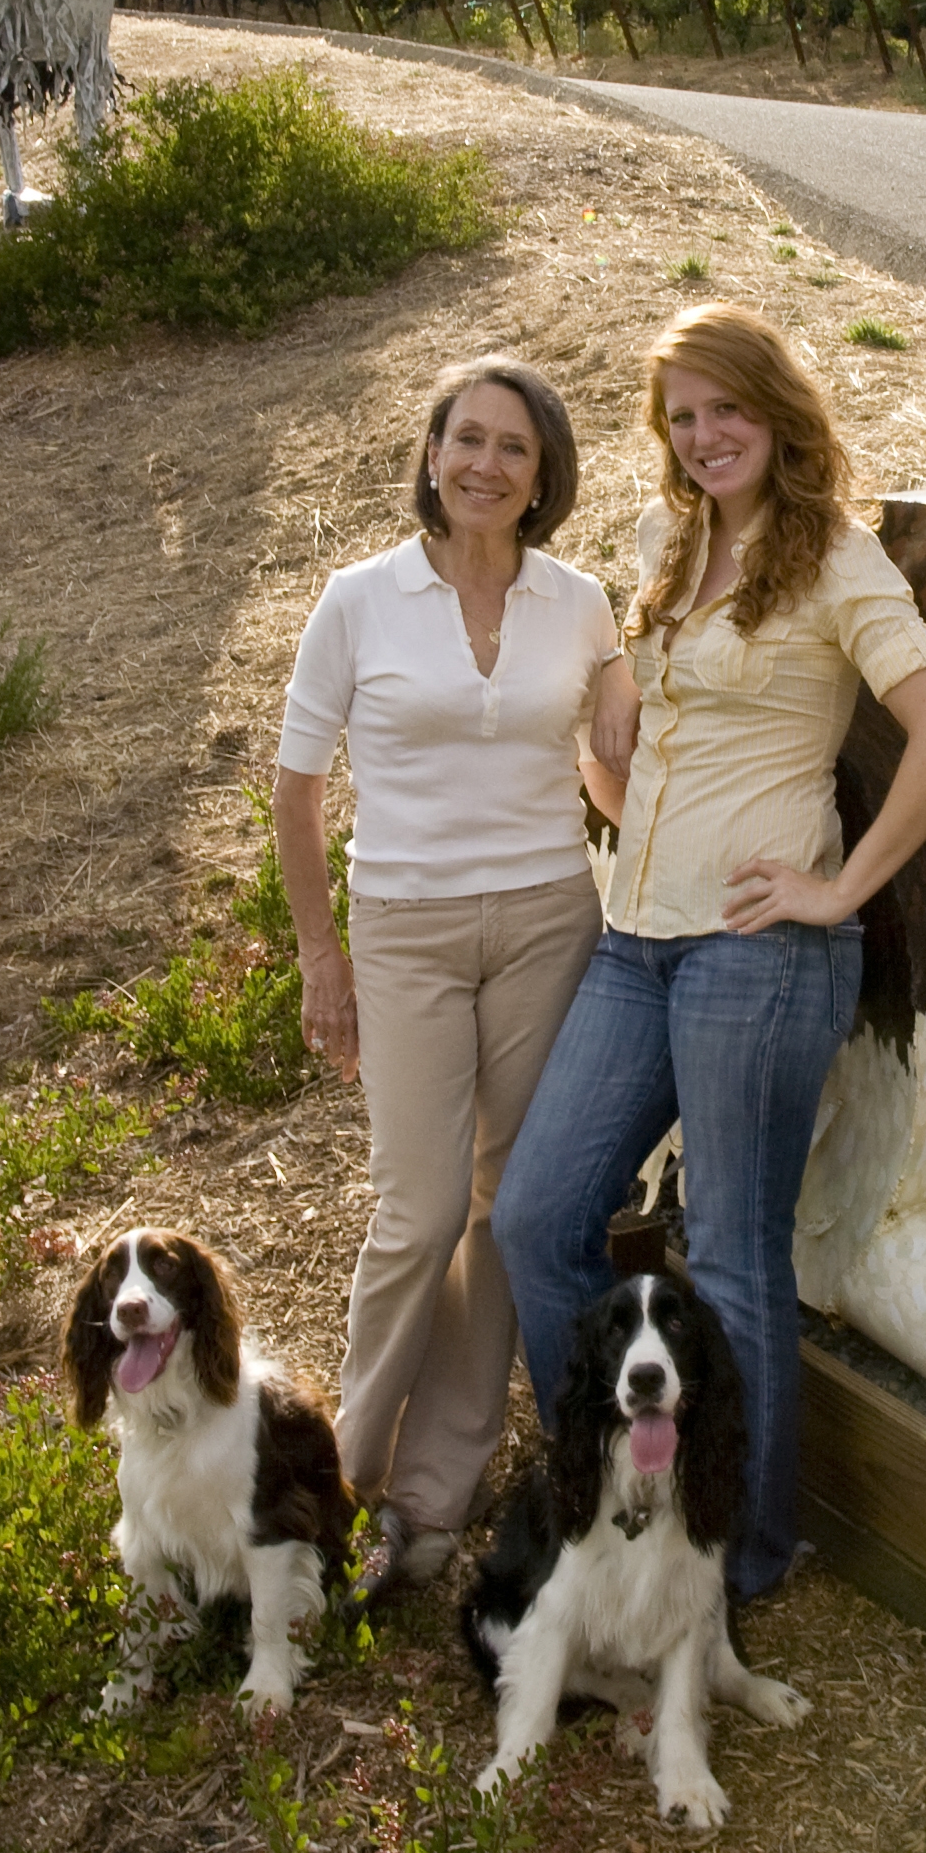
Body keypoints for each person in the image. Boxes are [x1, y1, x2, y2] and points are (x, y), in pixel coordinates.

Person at [493, 304, 926, 1601]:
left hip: (757, 960)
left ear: (777, 412)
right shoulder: (668, 544)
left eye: (728, 410)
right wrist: (612, 758)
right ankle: (606, 1500)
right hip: (635, 943)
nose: (705, 437)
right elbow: (634, 762)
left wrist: (842, 891)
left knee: (728, 1254)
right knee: (538, 1218)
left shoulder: (837, 557)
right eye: (683, 416)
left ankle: (741, 1555)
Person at [275, 355, 624, 1600]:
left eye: (513, 448)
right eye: (465, 438)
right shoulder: (358, 600)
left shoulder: (581, 604)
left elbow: (611, 767)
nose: (485, 463)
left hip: (546, 920)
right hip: (407, 925)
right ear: (430, 456)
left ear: (543, 478)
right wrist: (324, 952)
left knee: (500, 1208)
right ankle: (330, 1488)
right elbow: (297, 790)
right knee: (416, 1215)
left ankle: (431, 1503)